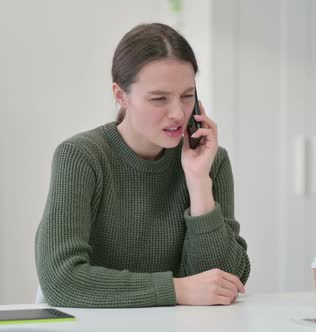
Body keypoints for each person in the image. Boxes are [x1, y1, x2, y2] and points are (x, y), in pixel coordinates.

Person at [35, 23, 250, 308]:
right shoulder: (80, 157)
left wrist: (199, 183)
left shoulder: (211, 161)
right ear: (120, 95)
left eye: (187, 96)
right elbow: (61, 280)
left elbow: (223, 283)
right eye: (159, 98)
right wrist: (178, 290)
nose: (177, 113)